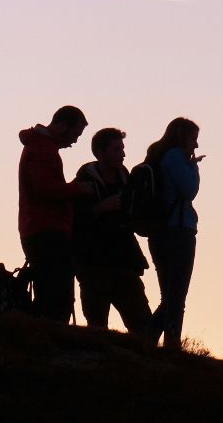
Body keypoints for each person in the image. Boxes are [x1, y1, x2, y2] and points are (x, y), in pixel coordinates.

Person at [72, 127, 153, 338]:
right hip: (92, 263)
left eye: (122, 149)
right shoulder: (82, 184)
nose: (123, 154)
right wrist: (100, 209)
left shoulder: (127, 182)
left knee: (143, 325)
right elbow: (72, 221)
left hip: (123, 261)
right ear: (99, 152)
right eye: (116, 149)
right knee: (97, 327)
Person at [17, 105, 92, 322]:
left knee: (50, 292)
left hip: (40, 227)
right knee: (57, 295)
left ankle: (43, 338)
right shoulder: (42, 149)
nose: (75, 140)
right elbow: (45, 188)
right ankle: (48, 340)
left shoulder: (40, 147)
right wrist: (79, 189)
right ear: (62, 126)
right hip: (46, 229)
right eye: (75, 133)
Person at [144, 118, 201, 350]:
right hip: (178, 230)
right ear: (182, 137)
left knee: (169, 294)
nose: (195, 145)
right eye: (193, 139)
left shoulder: (157, 156)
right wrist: (193, 166)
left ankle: (148, 340)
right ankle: (168, 343)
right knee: (176, 295)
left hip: (158, 232)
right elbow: (190, 190)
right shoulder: (175, 157)